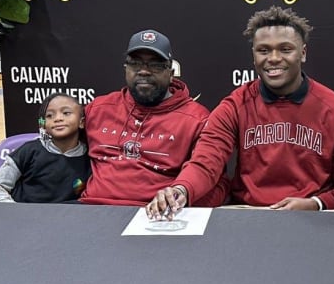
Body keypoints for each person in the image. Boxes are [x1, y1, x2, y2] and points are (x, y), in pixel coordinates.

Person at [146, 6, 334, 219]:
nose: (273, 58)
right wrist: (181, 189)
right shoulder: (236, 104)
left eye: (285, 49)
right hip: (248, 212)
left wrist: (316, 203)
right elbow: (207, 160)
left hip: (313, 216)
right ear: (254, 56)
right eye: (263, 50)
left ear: (303, 53)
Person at [80, 29, 228, 206]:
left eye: (155, 65)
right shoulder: (98, 108)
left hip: (155, 217)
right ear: (125, 69)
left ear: (171, 73)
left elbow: (216, 180)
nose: (144, 71)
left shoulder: (197, 119)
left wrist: (178, 203)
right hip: (90, 208)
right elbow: (58, 148)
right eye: (135, 63)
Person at [0, 93, 91, 203]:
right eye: (50, 116)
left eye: (66, 113)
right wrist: (14, 211)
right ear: (44, 125)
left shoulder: (92, 159)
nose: (58, 118)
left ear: (81, 122)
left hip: (64, 217)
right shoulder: (28, 151)